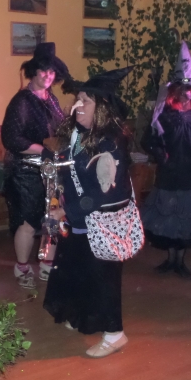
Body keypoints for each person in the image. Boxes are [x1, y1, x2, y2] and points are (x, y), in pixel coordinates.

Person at [43, 67, 135, 358]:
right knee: (76, 270)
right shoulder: (79, 134)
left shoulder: (110, 143)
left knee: (103, 278)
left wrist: (65, 211)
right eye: (78, 99)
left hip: (103, 223)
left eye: (86, 100)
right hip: (80, 220)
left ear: (102, 108)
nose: (77, 105)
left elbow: (100, 194)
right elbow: (66, 166)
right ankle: (81, 315)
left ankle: (115, 334)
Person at [141, 43, 191, 277]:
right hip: (169, 175)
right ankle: (170, 259)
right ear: (174, 90)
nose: (187, 93)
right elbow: (148, 140)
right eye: (183, 88)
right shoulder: (164, 114)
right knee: (169, 218)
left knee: (187, 219)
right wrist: (161, 155)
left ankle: (180, 261)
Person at [1, 42, 69, 288]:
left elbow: (59, 131)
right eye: (43, 70)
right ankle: (22, 266)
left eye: (52, 71)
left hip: (52, 170)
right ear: (33, 71)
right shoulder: (21, 101)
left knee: (53, 219)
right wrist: (43, 150)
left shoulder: (51, 99)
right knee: (28, 223)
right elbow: (11, 139)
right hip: (26, 172)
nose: (48, 75)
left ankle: (47, 264)